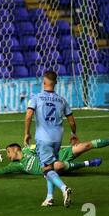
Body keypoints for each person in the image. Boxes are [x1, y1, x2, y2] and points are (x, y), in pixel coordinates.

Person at [0, 135, 109, 205]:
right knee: (57, 166)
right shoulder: (16, 166)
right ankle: (87, 164)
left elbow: (42, 145)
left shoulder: (29, 149)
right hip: (55, 165)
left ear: (16, 149)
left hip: (60, 154)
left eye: (8, 152)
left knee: (85, 146)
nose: (7, 155)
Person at [24, 70, 75, 207]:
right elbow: (71, 121)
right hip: (57, 138)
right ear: (55, 83)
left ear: (44, 82)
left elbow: (28, 116)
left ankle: (64, 188)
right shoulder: (62, 100)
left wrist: (26, 133)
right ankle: (50, 197)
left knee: (46, 168)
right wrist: (74, 134)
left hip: (43, 138)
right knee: (50, 167)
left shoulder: (36, 97)